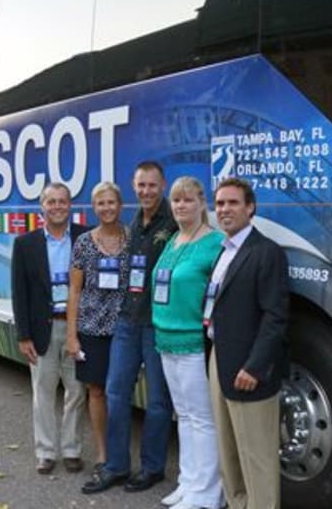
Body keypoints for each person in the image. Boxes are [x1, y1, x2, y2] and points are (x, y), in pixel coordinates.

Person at [82, 161, 177, 494]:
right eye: (141, 185)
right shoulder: (135, 221)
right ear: (134, 187)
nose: (146, 191)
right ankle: (117, 466)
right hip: (127, 320)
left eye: (152, 185)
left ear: (162, 185)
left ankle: (152, 468)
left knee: (158, 400)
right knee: (115, 392)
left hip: (156, 323)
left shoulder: (174, 220)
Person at [206, 177, 289, 509]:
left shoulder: (267, 252)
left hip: (248, 367)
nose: (224, 209)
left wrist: (255, 367)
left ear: (250, 207)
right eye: (220, 203)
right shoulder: (224, 251)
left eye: (233, 203)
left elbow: (275, 317)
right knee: (228, 452)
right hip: (219, 357)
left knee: (257, 458)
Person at [151, 177, 226, 509]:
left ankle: (208, 492)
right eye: (176, 200)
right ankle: (189, 482)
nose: (180, 205)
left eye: (187, 200)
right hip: (165, 339)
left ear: (201, 203)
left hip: (193, 342)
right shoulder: (173, 240)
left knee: (202, 418)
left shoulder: (214, 243)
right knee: (183, 415)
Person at [11, 182, 89, 475]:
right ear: (41, 207)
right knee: (43, 393)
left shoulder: (85, 237)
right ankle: (45, 452)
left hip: (76, 328)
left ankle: (71, 450)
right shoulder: (25, 244)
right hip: (42, 329)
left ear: (70, 205)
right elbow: (19, 293)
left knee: (76, 391)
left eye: (62, 201)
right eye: (51, 201)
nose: (57, 206)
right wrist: (23, 335)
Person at [66, 181, 129, 473]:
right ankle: (103, 453)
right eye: (101, 203)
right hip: (91, 328)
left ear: (120, 205)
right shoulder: (83, 243)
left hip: (126, 328)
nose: (106, 208)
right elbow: (75, 290)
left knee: (120, 394)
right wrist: (72, 336)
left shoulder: (132, 238)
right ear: (94, 207)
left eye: (111, 202)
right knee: (97, 391)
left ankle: (120, 454)